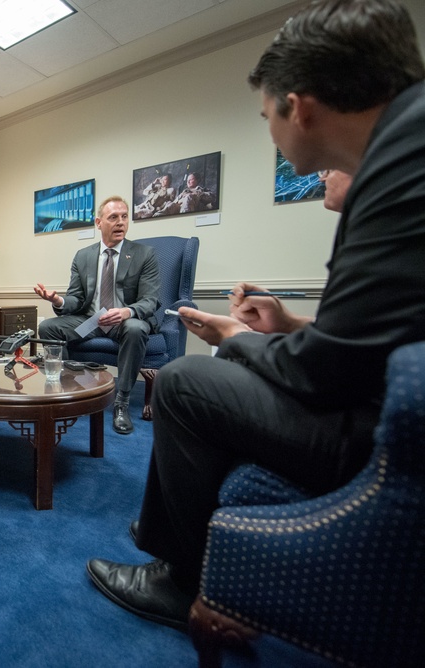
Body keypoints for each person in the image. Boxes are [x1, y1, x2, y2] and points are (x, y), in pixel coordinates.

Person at [86, 0, 425, 633]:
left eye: (265, 115)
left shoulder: (401, 173)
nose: (268, 128)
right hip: (379, 399)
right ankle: (168, 529)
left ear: (299, 107)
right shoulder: (406, 149)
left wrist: (237, 337)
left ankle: (183, 579)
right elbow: (382, 335)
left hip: (381, 432)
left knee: (188, 381)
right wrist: (291, 326)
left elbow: (323, 376)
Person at [34, 196, 161, 435]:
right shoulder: (83, 256)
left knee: (136, 329)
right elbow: (76, 299)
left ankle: (121, 402)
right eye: (113, 217)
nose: (120, 222)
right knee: (50, 327)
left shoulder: (145, 254)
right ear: (98, 222)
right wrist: (58, 300)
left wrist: (127, 311)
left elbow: (150, 300)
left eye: (124, 217)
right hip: (92, 321)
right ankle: (66, 393)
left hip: (124, 321)